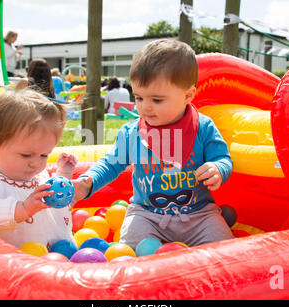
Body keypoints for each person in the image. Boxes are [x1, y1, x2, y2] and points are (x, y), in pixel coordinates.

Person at [72, 39, 234, 250]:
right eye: (139, 98)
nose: (145, 108)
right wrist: (88, 181)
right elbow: (111, 164)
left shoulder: (202, 127)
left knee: (226, 251)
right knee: (129, 250)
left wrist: (218, 168)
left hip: (199, 215)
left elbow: (222, 158)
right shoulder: (132, 132)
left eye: (156, 100)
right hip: (147, 214)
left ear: (188, 95)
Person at [0, 88, 77, 250]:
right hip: (19, 267)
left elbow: (56, 207)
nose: (35, 163)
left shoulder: (39, 176)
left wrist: (64, 174)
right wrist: (21, 210)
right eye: (26, 155)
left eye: (44, 155)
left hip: (62, 257)